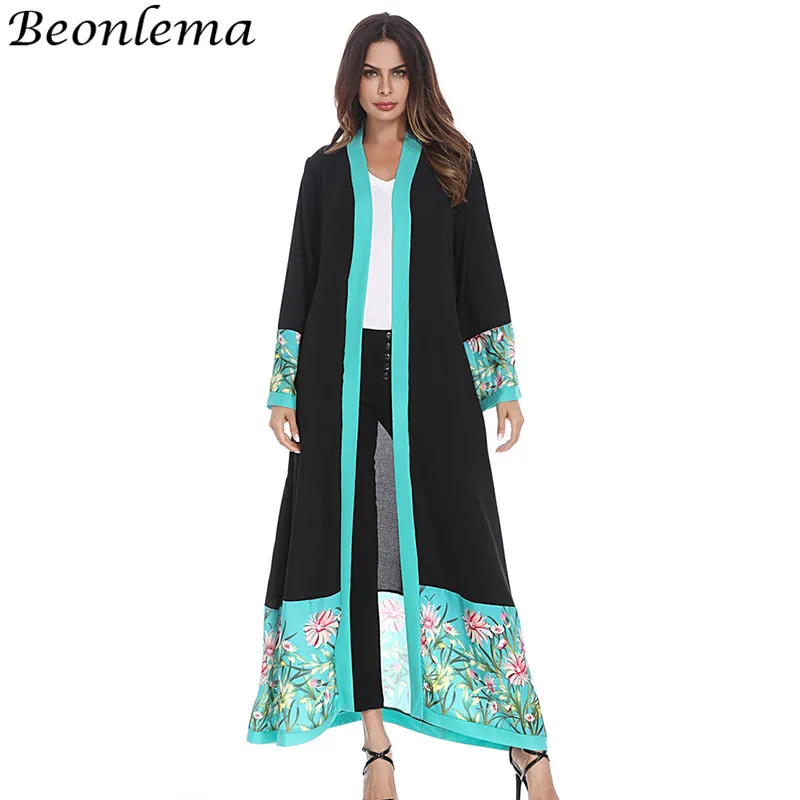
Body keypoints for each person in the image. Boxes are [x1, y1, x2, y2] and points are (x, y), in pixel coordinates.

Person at [246, 13, 560, 800]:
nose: (384, 88)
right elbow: (301, 277)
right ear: (352, 81)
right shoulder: (324, 172)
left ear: (416, 78)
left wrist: (501, 383)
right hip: (337, 379)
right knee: (352, 543)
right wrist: (284, 386)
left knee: (468, 543)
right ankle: (376, 748)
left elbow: (479, 272)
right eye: (370, 73)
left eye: (397, 73)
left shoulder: (451, 163)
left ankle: (525, 748)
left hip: (434, 379)